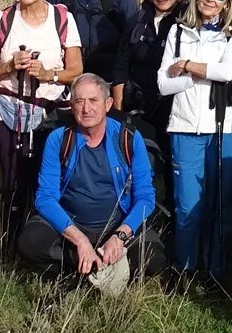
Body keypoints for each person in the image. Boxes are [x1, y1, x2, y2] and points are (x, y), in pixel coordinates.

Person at [0, 0, 83, 246]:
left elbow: (76, 70)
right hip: (7, 109)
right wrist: (9, 66)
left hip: (49, 112)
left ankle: (41, 243)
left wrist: (48, 74)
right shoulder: (3, 19)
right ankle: (10, 245)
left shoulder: (62, 19)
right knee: (12, 181)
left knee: (45, 180)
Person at [18, 74, 160, 286]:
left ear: (108, 104)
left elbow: (146, 198)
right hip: (70, 226)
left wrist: (120, 236)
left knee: (154, 257)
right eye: (79, 101)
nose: (86, 109)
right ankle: (89, 266)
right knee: (31, 242)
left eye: (93, 100)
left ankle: (89, 268)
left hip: (115, 225)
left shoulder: (129, 138)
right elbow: (45, 198)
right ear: (72, 105)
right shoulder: (59, 139)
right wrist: (80, 240)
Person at [156, 0, 232, 277]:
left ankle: (215, 272)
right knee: (186, 207)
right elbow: (163, 84)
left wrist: (186, 67)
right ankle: (185, 270)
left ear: (227, 2)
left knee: (218, 206)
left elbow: (228, 72)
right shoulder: (178, 32)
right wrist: (195, 78)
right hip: (183, 128)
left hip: (222, 129)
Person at [117, 0, 187, 133]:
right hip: (140, 107)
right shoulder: (137, 21)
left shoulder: (190, 21)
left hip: (178, 109)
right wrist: (118, 113)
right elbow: (120, 67)